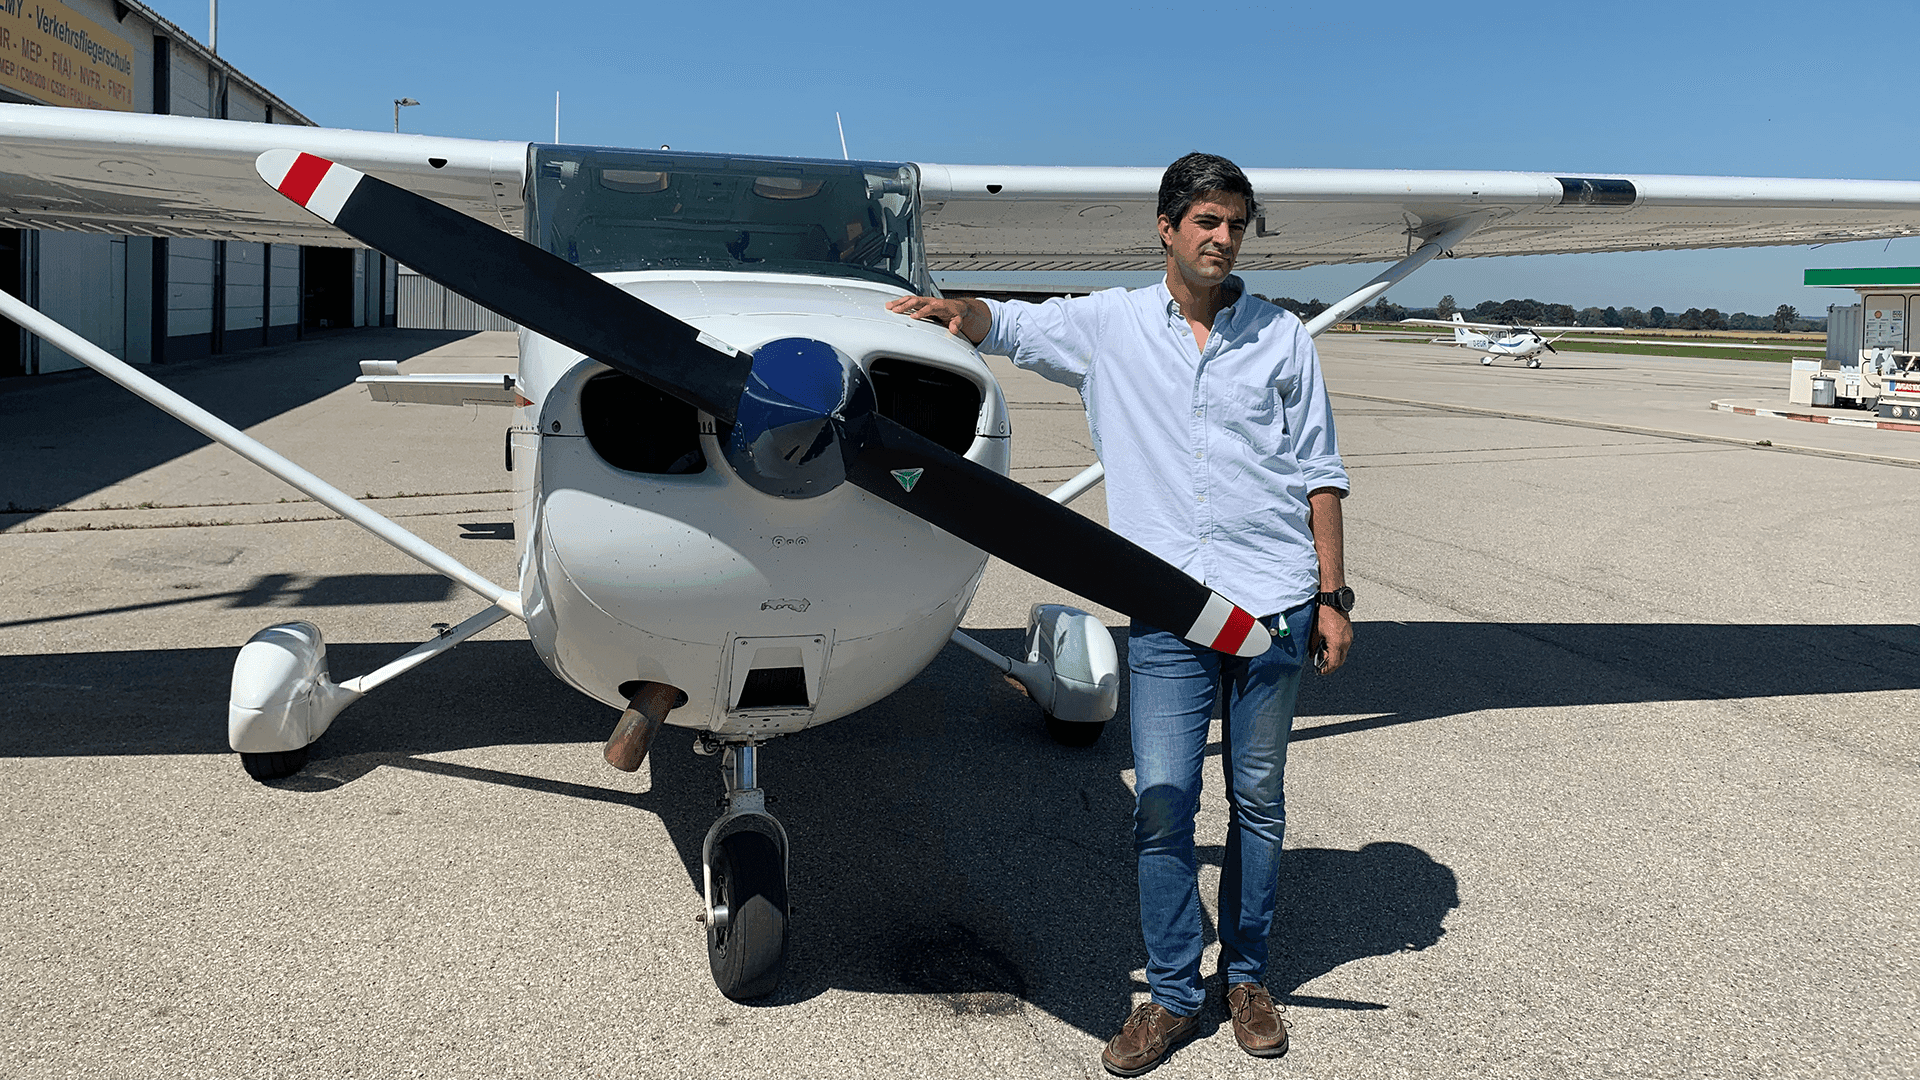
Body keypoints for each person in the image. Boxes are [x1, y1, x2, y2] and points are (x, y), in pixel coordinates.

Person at [886, 151, 1352, 1076]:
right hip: (1171, 611)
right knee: (1165, 806)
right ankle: (1176, 994)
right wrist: (958, 317)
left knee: (1258, 803)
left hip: (1277, 603)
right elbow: (1011, 323)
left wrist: (1332, 596)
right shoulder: (1109, 325)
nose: (1222, 239)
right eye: (1207, 222)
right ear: (1168, 228)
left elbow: (1321, 474)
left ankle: (1248, 979)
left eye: (1236, 224)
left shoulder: (1282, 337)